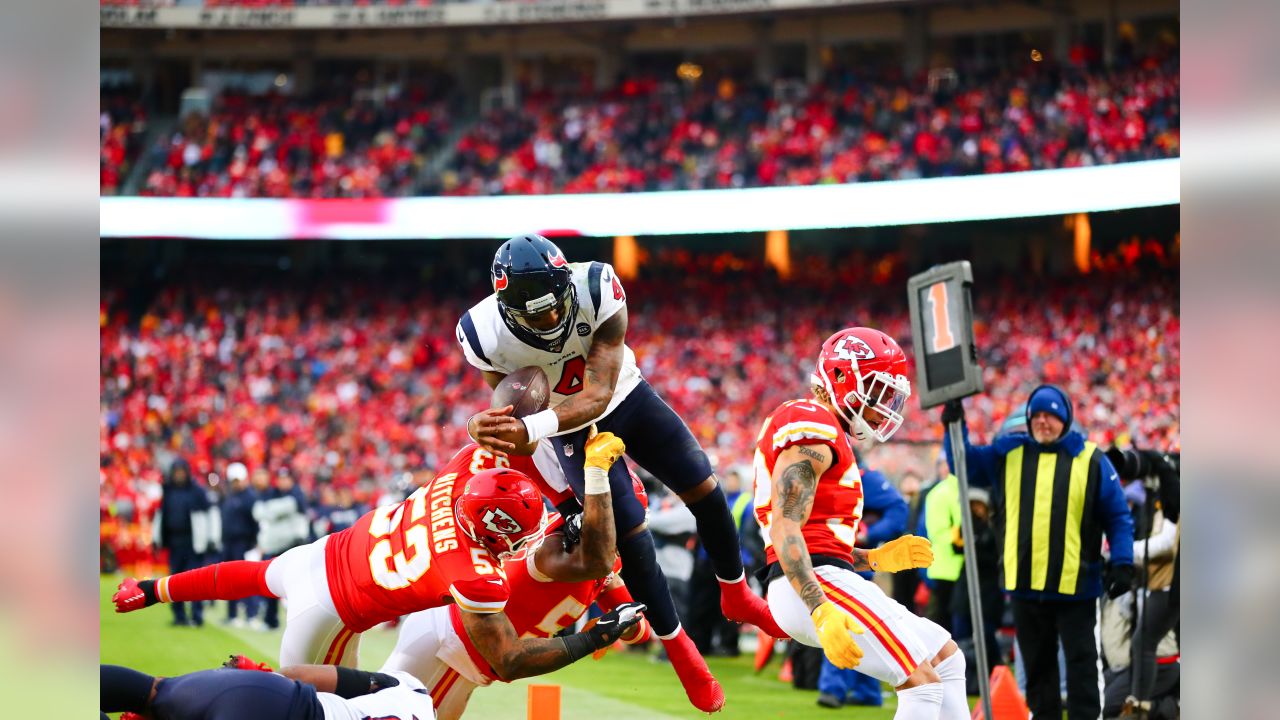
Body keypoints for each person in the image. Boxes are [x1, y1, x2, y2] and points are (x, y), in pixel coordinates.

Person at [457, 234, 782, 711]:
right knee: (629, 537)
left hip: (624, 397)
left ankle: (735, 592)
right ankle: (682, 651)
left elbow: (600, 391)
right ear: (509, 311)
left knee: (706, 489)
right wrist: (487, 428)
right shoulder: (483, 335)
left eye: (555, 307)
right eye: (537, 315)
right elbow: (518, 435)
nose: (552, 320)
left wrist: (530, 423)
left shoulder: (596, 285)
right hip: (568, 433)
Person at [113, 427, 632, 680]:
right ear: (496, 536)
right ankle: (253, 682)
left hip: (314, 558)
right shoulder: (474, 574)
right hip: (331, 619)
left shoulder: (454, 476)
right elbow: (509, 660)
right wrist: (594, 636)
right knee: (351, 708)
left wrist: (156, 589)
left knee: (260, 579)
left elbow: (239, 576)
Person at [757, 327, 967, 720]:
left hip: (822, 573)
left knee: (946, 658)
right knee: (921, 684)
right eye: (877, 390)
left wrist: (872, 558)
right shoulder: (811, 425)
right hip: (813, 585)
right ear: (841, 378)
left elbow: (817, 540)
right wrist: (818, 607)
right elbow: (785, 526)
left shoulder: (828, 431)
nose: (883, 405)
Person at [380, 475, 654, 720]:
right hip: (454, 641)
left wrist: (621, 623)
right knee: (380, 711)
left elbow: (638, 630)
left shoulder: (599, 561)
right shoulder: (558, 552)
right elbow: (587, 568)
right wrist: (605, 630)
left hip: (474, 654)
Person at [942, 385, 1136, 720]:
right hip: (1024, 587)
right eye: (1037, 416)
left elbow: (1118, 516)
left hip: (1076, 586)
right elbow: (964, 465)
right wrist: (954, 426)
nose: (1043, 422)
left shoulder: (1092, 460)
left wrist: (1122, 561)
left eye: (1051, 415)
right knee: (1037, 670)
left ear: (1066, 419)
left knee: (1081, 669)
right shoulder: (1009, 452)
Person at [816, 464, 910, 709]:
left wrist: (869, 534)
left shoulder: (863, 478)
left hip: (851, 561)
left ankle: (834, 688)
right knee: (860, 624)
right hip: (840, 558)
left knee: (841, 620)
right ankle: (867, 691)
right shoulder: (841, 476)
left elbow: (898, 509)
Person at [101, 659, 429, 720]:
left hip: (270, 694)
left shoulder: (414, 692)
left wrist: (267, 677)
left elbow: (295, 675)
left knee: (153, 693)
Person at [152, 458, 219, 628]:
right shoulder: (168, 490)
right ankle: (179, 615)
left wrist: (212, 538)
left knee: (196, 582)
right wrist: (156, 538)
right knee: (174, 581)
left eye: (182, 472)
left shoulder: (197, 491)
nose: (179, 475)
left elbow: (211, 514)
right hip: (174, 541)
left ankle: (197, 616)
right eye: (177, 472)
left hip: (194, 542)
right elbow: (160, 515)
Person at [218, 461, 260, 628]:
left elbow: (256, 523)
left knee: (247, 580)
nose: (236, 483)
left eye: (238, 480)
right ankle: (232, 614)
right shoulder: (229, 496)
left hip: (244, 543)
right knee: (229, 579)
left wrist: (254, 544)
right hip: (229, 543)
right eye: (233, 480)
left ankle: (251, 614)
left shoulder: (250, 497)